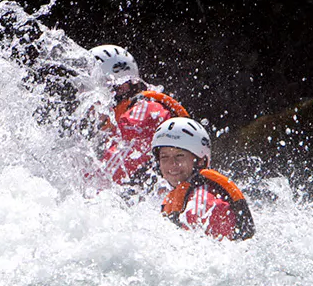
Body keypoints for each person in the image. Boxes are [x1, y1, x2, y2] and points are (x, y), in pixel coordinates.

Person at [90, 44, 189, 185]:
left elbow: (102, 181)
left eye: (89, 87)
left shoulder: (143, 116)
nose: (83, 94)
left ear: (121, 88)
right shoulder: (126, 116)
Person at [151, 117, 255, 241]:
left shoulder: (203, 204)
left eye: (179, 156)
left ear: (200, 160)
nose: (172, 164)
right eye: (164, 157)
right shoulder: (180, 194)